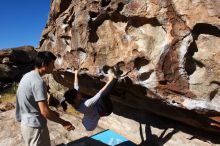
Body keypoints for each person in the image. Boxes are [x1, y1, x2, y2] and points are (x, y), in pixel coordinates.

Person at [15, 51, 75, 146]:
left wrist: (51, 112)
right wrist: (64, 123)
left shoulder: (26, 76)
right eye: (52, 64)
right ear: (43, 64)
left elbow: (29, 102)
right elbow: (45, 112)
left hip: (26, 124)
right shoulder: (38, 82)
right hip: (35, 128)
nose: (54, 67)